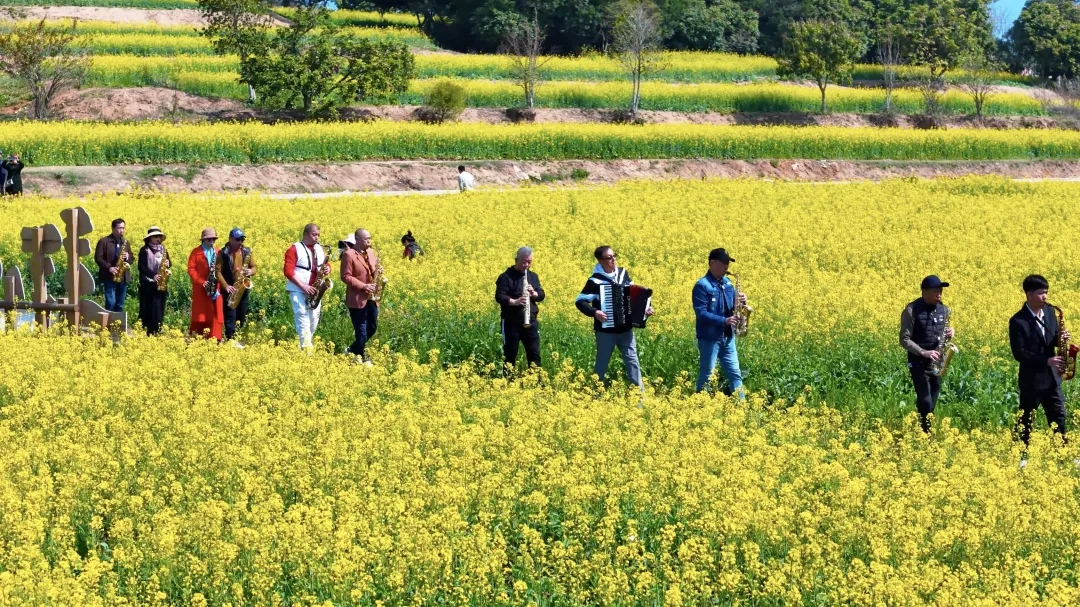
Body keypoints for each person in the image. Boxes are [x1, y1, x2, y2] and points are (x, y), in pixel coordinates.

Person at [575, 245, 653, 388]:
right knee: (601, 365)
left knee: (633, 363)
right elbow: (580, 301)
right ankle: (595, 394)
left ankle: (639, 400)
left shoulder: (623, 274)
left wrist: (645, 310)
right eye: (609, 257)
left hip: (626, 330)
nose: (613, 260)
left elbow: (635, 296)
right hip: (606, 332)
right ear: (600, 261)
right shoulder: (595, 281)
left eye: (614, 256)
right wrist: (595, 312)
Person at [1009, 274, 1070, 449]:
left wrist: (1062, 339)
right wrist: (1047, 361)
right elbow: (1019, 353)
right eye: (1041, 293)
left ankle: (1062, 452)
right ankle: (1021, 453)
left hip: (1052, 378)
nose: (1045, 297)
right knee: (1026, 419)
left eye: (1047, 293)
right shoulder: (1018, 321)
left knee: (1058, 416)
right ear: (1029, 294)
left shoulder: (1050, 313)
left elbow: (1053, 338)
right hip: (1032, 381)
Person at [899, 275, 955, 433]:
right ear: (924, 291)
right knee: (925, 400)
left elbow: (942, 332)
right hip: (918, 363)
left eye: (941, 291)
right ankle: (925, 434)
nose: (939, 294)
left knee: (933, 400)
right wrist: (923, 352)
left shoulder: (944, 309)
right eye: (935, 291)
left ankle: (924, 429)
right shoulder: (911, 310)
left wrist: (951, 332)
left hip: (937, 362)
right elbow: (904, 339)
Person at [692, 248, 747, 396]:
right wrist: (725, 320)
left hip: (728, 338)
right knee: (707, 376)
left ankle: (742, 408)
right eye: (723, 263)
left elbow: (733, 307)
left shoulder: (728, 283)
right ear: (712, 263)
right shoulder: (702, 286)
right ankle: (700, 406)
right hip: (710, 339)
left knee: (735, 374)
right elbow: (701, 313)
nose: (726, 266)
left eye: (727, 263)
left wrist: (742, 302)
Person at [495, 247, 545, 371]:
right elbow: (500, 296)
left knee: (534, 354)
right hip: (511, 322)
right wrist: (515, 302)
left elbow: (541, 294)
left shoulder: (533, 276)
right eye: (524, 262)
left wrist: (534, 294)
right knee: (510, 355)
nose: (527, 265)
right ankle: (508, 383)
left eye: (529, 262)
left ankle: (536, 381)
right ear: (516, 260)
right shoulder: (505, 277)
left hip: (530, 321)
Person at [283, 223, 330, 349]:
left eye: (318, 235)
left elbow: (327, 265)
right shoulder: (294, 249)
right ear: (305, 234)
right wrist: (303, 286)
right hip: (298, 289)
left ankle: (304, 344)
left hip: (315, 289)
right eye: (314, 235)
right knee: (302, 315)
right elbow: (288, 271)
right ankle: (307, 348)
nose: (317, 238)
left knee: (314, 319)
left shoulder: (319, 249)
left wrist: (327, 270)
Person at [341, 228, 380, 362]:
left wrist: (379, 272)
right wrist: (363, 286)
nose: (369, 241)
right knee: (361, 332)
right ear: (357, 239)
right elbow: (345, 276)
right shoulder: (349, 254)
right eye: (366, 239)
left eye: (370, 238)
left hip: (372, 298)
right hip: (357, 298)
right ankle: (361, 357)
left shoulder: (371, 252)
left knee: (372, 327)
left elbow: (373, 271)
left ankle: (352, 350)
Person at [216, 227, 257, 341]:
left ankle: (238, 337)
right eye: (237, 239)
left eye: (242, 240)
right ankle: (230, 339)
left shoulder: (246, 252)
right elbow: (218, 271)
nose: (240, 242)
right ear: (230, 239)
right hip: (230, 289)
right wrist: (226, 286)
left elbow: (254, 267)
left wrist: (251, 271)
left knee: (241, 315)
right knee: (230, 317)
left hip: (242, 289)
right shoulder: (223, 253)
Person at [187, 227, 224, 340]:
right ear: (203, 240)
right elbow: (191, 269)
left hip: (215, 287)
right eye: (209, 239)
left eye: (213, 239)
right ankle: (197, 337)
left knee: (214, 312)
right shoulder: (196, 252)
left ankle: (215, 337)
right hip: (201, 288)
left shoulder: (218, 251)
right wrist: (201, 281)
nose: (211, 242)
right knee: (201, 313)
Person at [94, 218, 135, 313]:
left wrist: (128, 257)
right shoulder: (103, 241)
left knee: (120, 303)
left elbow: (132, 258)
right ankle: (108, 323)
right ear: (112, 228)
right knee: (111, 302)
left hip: (123, 276)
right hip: (109, 276)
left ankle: (117, 325)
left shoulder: (125, 242)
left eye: (123, 228)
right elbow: (98, 258)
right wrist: (109, 268)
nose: (122, 230)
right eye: (119, 228)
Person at [137, 226, 169, 336]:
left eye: (159, 236)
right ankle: (148, 330)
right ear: (150, 238)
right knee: (149, 307)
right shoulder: (144, 250)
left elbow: (169, 262)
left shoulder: (164, 249)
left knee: (159, 307)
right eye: (156, 236)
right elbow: (141, 267)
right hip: (148, 283)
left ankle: (158, 328)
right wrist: (153, 275)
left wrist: (168, 264)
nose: (158, 238)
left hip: (161, 282)